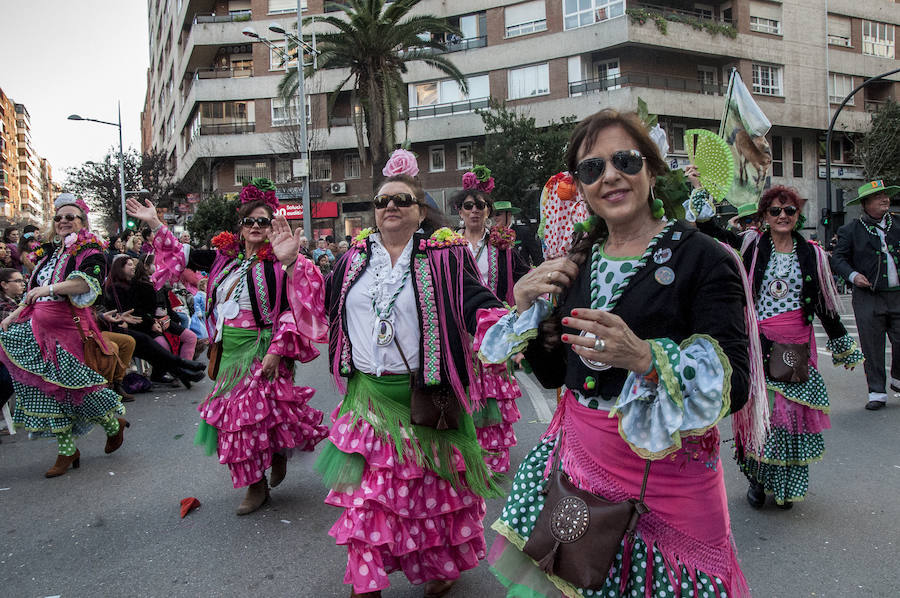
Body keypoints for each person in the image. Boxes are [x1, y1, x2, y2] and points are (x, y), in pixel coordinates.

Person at [480, 109, 762, 597]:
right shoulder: (579, 261)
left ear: (652, 170)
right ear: (583, 187)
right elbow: (553, 376)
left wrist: (647, 358)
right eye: (592, 168)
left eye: (625, 160)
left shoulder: (705, 257)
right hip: (581, 466)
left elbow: (736, 384)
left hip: (671, 480)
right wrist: (526, 309)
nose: (609, 175)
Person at [319, 173, 508, 598]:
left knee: (432, 495)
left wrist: (505, 330)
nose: (391, 206)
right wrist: (294, 266)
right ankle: (365, 586)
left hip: (425, 396)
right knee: (370, 502)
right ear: (374, 211)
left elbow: (476, 301)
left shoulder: (442, 256)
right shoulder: (353, 259)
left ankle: (441, 563)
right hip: (367, 400)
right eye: (383, 199)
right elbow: (322, 309)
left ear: (421, 211)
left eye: (403, 199)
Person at [127, 177, 329, 515]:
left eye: (262, 221)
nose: (254, 226)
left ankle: (275, 456)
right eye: (249, 220)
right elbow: (181, 254)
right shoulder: (225, 259)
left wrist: (277, 350)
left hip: (264, 347)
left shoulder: (279, 262)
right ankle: (256, 483)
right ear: (241, 225)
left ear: (272, 226)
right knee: (239, 420)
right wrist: (156, 223)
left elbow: (293, 310)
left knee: (266, 415)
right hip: (229, 352)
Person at [690, 181, 863, 509]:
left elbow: (825, 305)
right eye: (775, 211)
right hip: (757, 344)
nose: (782, 216)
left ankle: (781, 484)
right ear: (764, 216)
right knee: (758, 414)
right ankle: (757, 479)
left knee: (785, 417)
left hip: (793, 345)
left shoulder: (811, 252)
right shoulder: (751, 245)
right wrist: (701, 189)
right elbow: (709, 227)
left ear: (798, 214)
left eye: (789, 210)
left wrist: (842, 344)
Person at [0, 194, 128, 477]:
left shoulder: (91, 251)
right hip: (36, 329)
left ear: (82, 222)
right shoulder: (49, 254)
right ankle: (67, 450)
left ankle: (112, 425)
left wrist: (49, 290)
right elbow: (32, 291)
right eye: (58, 217)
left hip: (68, 331)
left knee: (79, 390)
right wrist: (11, 316)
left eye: (70, 217)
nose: (63, 222)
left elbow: (85, 283)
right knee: (47, 392)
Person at [453, 173, 529, 474]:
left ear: (488, 212)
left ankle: (493, 454)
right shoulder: (447, 247)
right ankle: (464, 453)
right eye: (468, 205)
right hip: (460, 330)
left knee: (494, 392)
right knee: (463, 391)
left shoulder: (502, 247)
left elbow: (523, 277)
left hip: (494, 331)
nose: (474, 210)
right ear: (460, 211)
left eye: (481, 206)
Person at [831, 180, 900, 411]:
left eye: (885, 195)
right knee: (872, 345)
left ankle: (897, 378)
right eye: (878, 196)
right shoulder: (850, 230)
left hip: (897, 294)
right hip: (868, 297)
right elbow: (837, 259)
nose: (885, 199)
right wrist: (853, 276)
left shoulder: (898, 222)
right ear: (865, 203)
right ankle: (877, 392)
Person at [102, 255, 205, 388]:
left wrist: (164, 319)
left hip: (149, 322)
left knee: (185, 336)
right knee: (154, 345)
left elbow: (161, 307)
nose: (133, 266)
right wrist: (152, 322)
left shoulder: (138, 284)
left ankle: (184, 369)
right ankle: (182, 368)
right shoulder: (117, 288)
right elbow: (134, 311)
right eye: (129, 264)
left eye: (133, 264)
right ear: (119, 269)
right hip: (134, 326)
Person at [0, 268, 24, 427]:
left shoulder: (15, 300)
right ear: (4, 284)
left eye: (23, 280)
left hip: (12, 352)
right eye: (17, 281)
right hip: (5, 355)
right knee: (10, 377)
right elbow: (21, 322)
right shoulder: (3, 305)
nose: (23, 284)